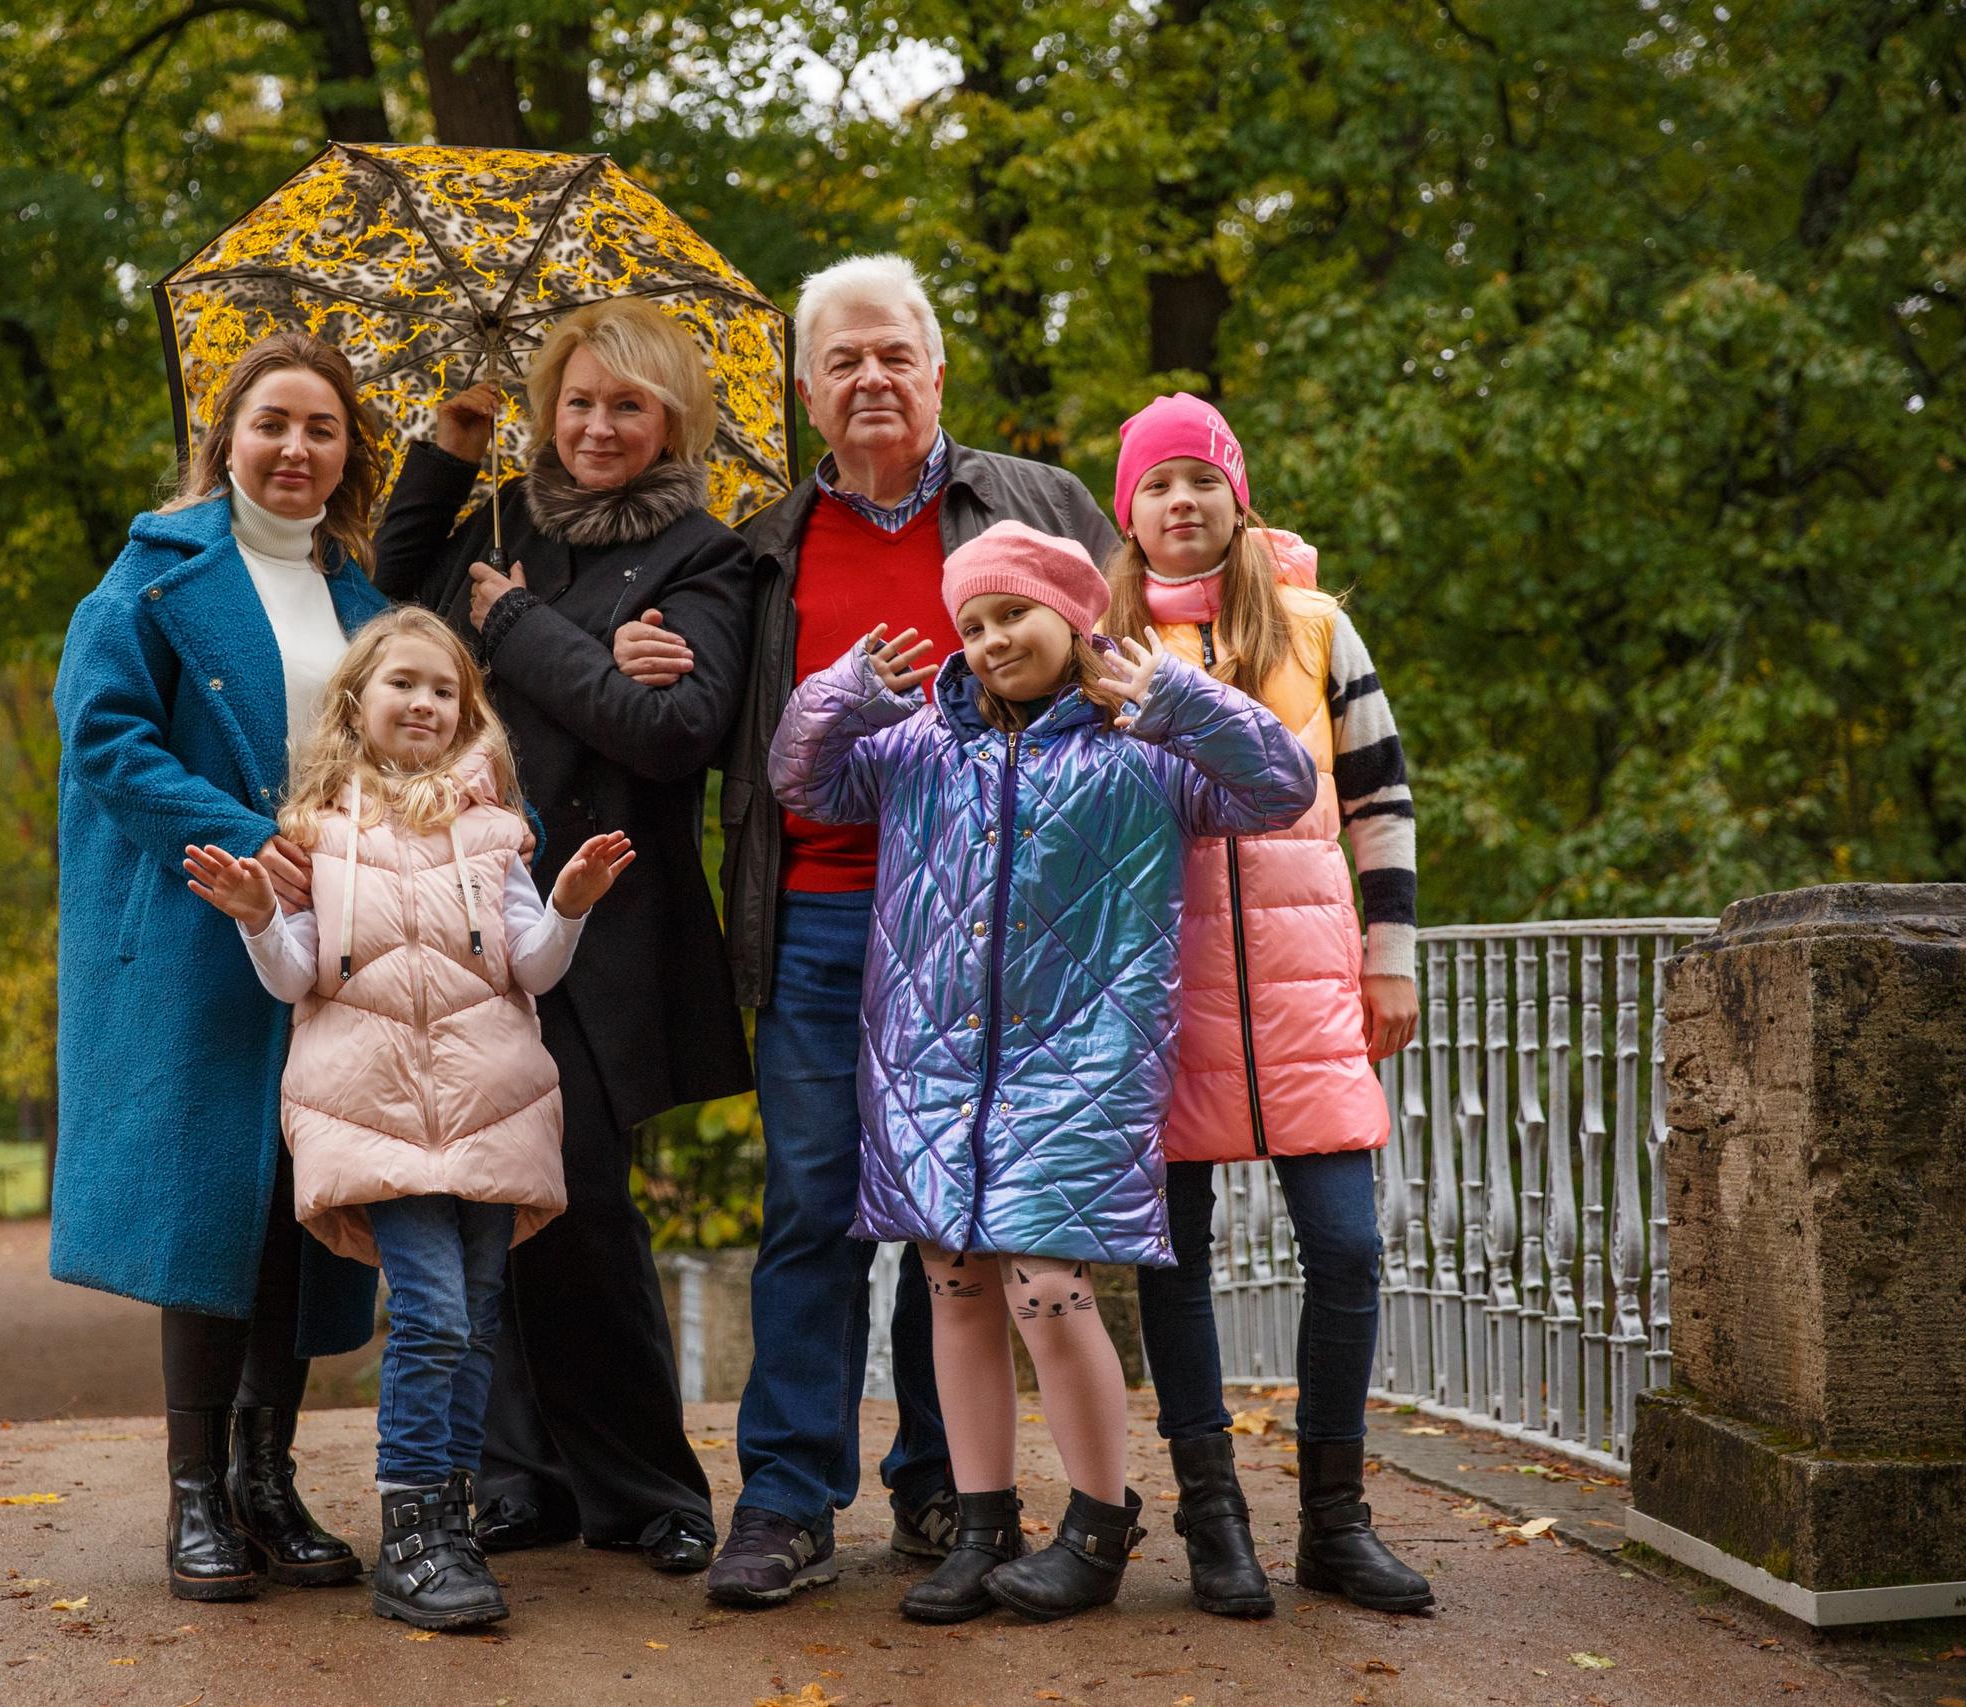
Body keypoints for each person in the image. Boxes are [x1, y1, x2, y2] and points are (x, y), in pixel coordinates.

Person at [621, 253, 1119, 1606]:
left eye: (894, 353)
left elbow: (1142, 654)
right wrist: (625, 652)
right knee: (813, 1204)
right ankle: (786, 1499)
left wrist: (1257, 574)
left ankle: (943, 1487)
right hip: (823, 917)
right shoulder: (755, 547)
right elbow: (701, 720)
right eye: (841, 360)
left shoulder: (1036, 505)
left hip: (1004, 931)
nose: (871, 378)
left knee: (957, 1212)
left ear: (937, 371)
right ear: (805, 394)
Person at [766, 520, 1317, 1624]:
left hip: (1081, 1065)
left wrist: (1178, 696)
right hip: (929, 1061)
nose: (990, 640)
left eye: (1012, 613)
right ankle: (981, 1528)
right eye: (971, 624)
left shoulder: (1144, 749)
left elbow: (1282, 787)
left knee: (1048, 1289)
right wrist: (843, 693)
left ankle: (1099, 1526)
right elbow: (802, 780)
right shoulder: (921, 745)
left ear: (1072, 617)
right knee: (954, 1284)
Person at [354, 296, 755, 1573]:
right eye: (577, 401)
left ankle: (650, 1494)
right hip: (460, 921)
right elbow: (388, 610)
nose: (597, 426)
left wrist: (523, 628)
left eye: (628, 405)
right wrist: (447, 452)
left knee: (577, 1203)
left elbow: (670, 731)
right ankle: (519, 1478)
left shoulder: (707, 558)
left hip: (602, 926)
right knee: (480, 1194)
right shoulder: (496, 522)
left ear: (671, 420)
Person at [182, 607, 639, 1631]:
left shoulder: (496, 831)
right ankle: (412, 1535)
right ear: (357, 703)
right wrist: (258, 918)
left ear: (466, 715)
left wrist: (568, 904)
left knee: (472, 1322)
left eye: (444, 690)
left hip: (490, 1105)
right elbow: (297, 976)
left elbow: (531, 968)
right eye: (403, 684)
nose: (424, 702)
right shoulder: (315, 834)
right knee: (431, 1314)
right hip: (372, 1107)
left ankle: (450, 1523)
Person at [51, 332, 391, 1602]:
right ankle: (195, 1495)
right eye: (273, 424)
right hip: (202, 927)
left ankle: (267, 1483)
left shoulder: (364, 603)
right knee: (212, 1205)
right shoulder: (153, 577)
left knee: (306, 1200)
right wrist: (248, 838)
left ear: (349, 453)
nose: (296, 448)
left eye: (322, 428)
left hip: (330, 936)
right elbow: (104, 737)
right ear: (226, 438)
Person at [1109, 394, 1433, 1617]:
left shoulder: (1314, 626)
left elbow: (1380, 798)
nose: (1180, 501)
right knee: (1175, 1258)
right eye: (1155, 484)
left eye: (1201, 478)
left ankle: (1335, 1525)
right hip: (1159, 996)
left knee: (1345, 1246)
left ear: (1235, 496)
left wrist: (1390, 954)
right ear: (1129, 513)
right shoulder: (1101, 640)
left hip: (1306, 985)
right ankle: (1214, 1524)